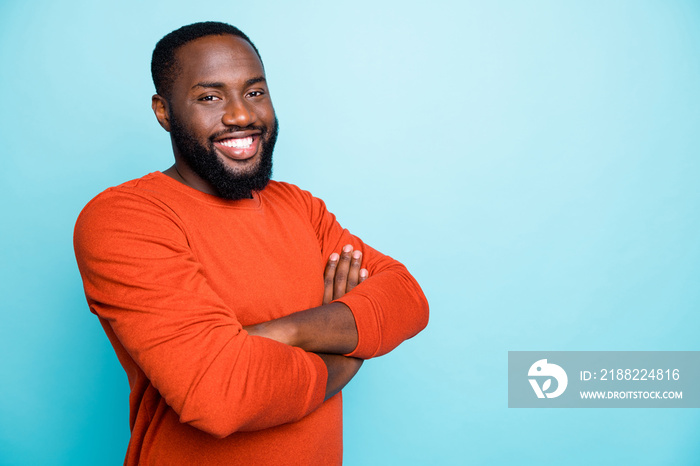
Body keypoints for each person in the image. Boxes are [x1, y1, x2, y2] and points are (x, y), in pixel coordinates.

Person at [73, 21, 428, 465]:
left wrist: (284, 332)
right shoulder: (125, 218)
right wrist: (346, 355)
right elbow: (220, 395)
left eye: (255, 92)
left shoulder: (300, 208)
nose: (242, 115)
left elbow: (407, 298)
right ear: (163, 112)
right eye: (210, 97)